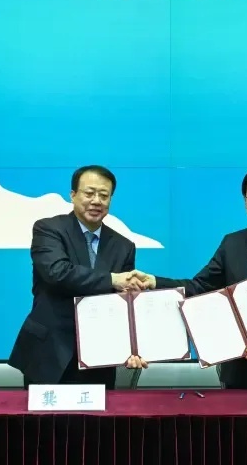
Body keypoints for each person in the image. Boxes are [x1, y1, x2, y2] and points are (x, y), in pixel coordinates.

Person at [133, 166, 247, 389]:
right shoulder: (232, 243)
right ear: (245, 201)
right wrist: (154, 282)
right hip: (238, 367)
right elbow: (200, 286)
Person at [8, 165, 146, 389]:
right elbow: (57, 273)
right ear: (73, 195)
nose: (96, 201)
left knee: (96, 413)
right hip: (49, 352)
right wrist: (113, 279)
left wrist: (132, 346)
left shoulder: (124, 246)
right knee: (45, 413)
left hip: (99, 356)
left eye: (104, 195)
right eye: (89, 193)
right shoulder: (48, 229)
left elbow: (123, 302)